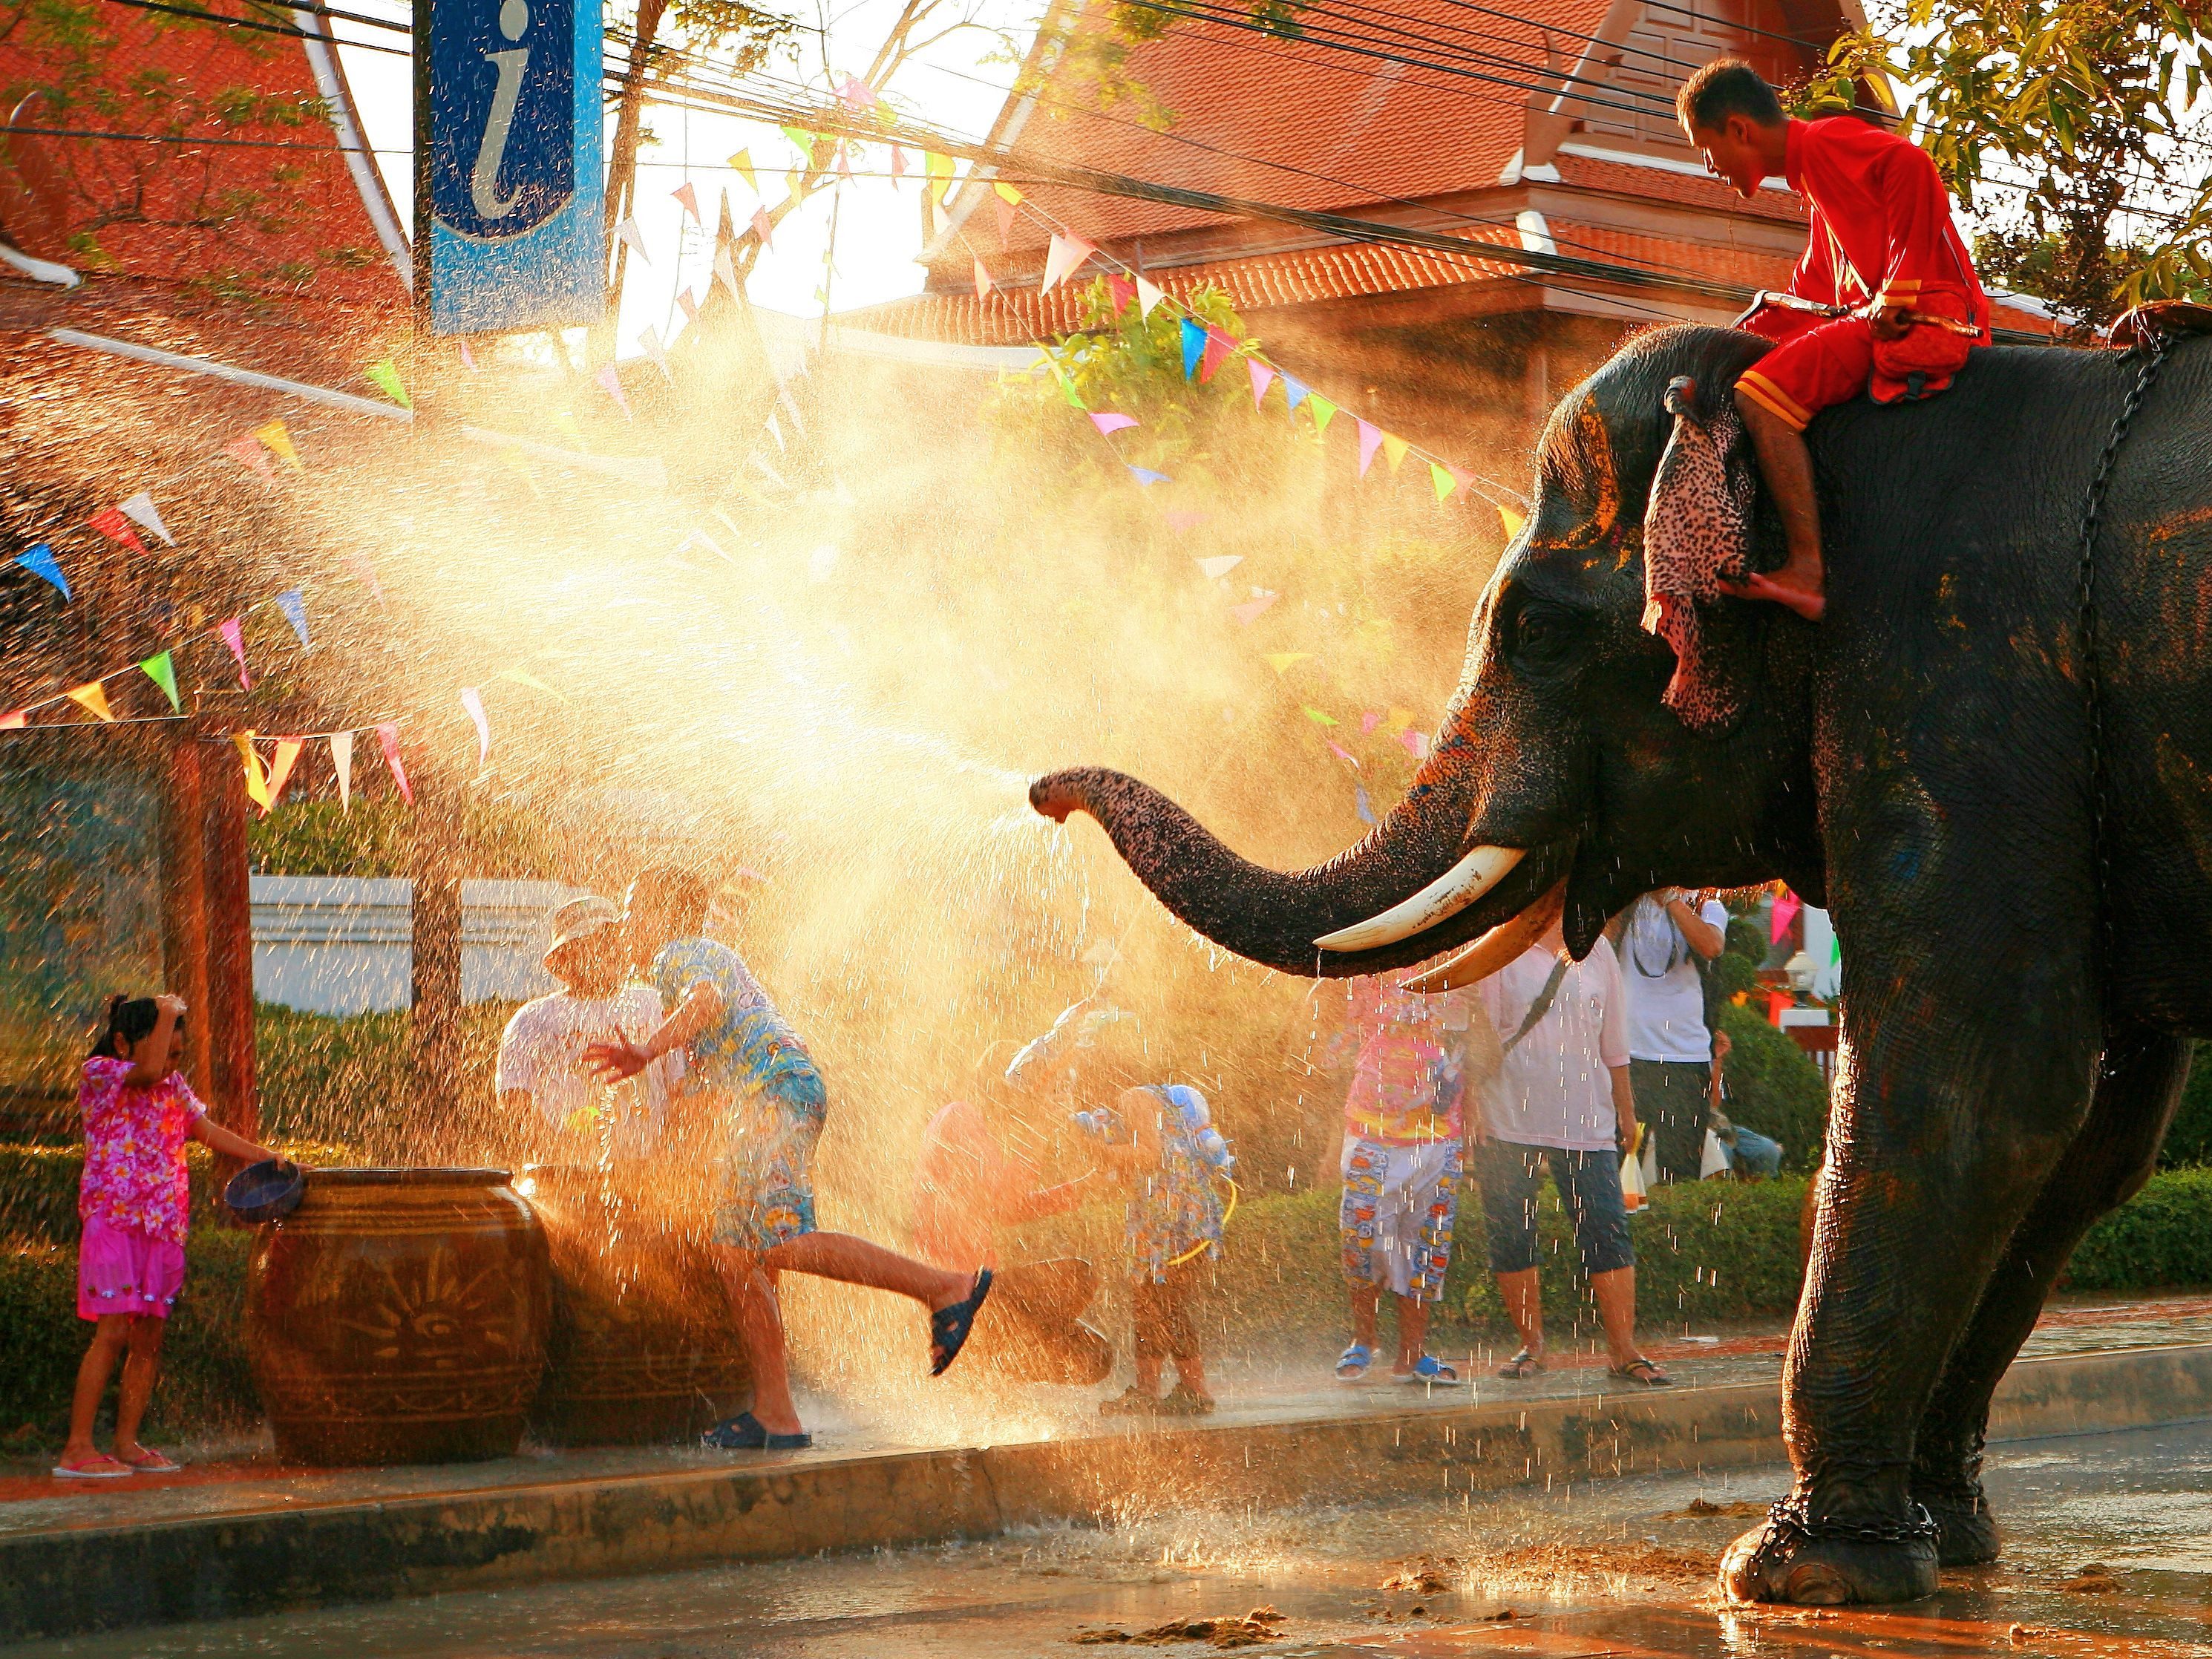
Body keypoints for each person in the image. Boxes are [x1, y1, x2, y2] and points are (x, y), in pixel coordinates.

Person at [584, 866, 991, 1450]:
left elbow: (706, 1001)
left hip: (775, 1091)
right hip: (773, 1093)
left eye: (631, 910)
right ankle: (776, 1412)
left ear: (660, 911)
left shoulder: (681, 953)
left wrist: (645, 1051)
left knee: (780, 1241)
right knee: (734, 1252)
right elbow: (707, 1072)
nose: (625, 924)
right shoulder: (704, 961)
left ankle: (945, 1286)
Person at [1678, 58, 1991, 622]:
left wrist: (1900, 289)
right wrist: (1724, 348)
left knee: (1759, 399)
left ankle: (1806, 571)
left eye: (1707, 148)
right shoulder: (1813, 183)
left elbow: (1913, 163)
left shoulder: (1825, 143)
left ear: (1740, 130)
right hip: (1880, 319)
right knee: (1753, 373)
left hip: (1924, 317)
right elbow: (1812, 293)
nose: (1710, 167)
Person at [57, 995, 291, 1479]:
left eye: (177, 1056)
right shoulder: (100, 1073)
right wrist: (166, 1010)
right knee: (112, 1333)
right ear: (123, 1043)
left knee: (148, 1338)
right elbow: (144, 1072)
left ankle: (126, 1443)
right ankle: (77, 1448)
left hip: (163, 1226)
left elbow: (208, 1131)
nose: (168, 1065)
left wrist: (268, 1157)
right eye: (163, 1051)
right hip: (113, 1222)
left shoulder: (173, 1086)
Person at [1471, 917, 1671, 1387]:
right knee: (1512, 1232)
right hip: (1508, 1115)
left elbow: (1614, 1045)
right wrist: (1471, 1102)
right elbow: (1481, 1038)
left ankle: (1623, 1350)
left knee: (1606, 1227)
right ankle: (1532, 1346)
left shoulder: (1597, 951)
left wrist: (1626, 1113)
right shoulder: (1501, 945)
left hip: (1586, 1119)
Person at [1333, 976, 1470, 1387]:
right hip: (1372, 1132)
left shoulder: (1462, 968)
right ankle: (1364, 1339)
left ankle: (1412, 1354)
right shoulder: (1366, 968)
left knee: (1426, 1244)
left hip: (1439, 1135)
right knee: (1362, 1240)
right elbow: (1330, 1042)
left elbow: (1473, 1049)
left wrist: (1474, 1115)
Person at [1084, 1073, 1232, 1418]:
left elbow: (1151, 1156)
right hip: (1172, 1214)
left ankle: (1195, 1391)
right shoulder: (1151, 1099)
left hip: (1172, 1218)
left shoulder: (1134, 1097)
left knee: (1167, 1304)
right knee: (1150, 1304)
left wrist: (1095, 1149)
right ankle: (1150, 1391)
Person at [494, 894, 681, 1165]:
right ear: (565, 959)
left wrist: (669, 1155)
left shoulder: (654, 1004)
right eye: (597, 943)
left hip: (647, 1167)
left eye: (614, 941)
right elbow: (515, 1097)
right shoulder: (533, 1019)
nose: (610, 951)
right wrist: (559, 1152)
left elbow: (679, 1085)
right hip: (563, 1169)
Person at [1617, 889, 1730, 1184]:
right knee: (1619, 1169)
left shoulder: (1706, 902)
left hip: (1685, 1057)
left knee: (1681, 1176)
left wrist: (1670, 898)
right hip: (1627, 1054)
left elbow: (1711, 946)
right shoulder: (1626, 903)